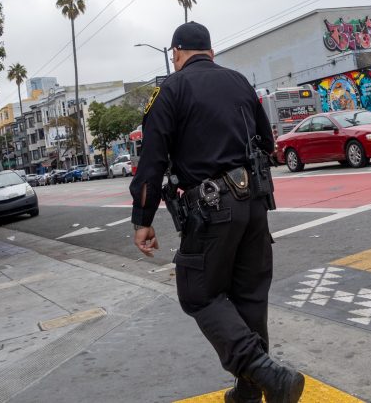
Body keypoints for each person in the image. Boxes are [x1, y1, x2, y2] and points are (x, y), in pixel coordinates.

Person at [130, 22, 304, 403]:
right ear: (210, 51)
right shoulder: (239, 82)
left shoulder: (169, 90)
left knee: (197, 293)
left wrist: (142, 219)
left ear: (176, 54)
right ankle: (249, 391)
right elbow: (267, 140)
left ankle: (265, 374)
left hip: (210, 207)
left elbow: (152, 161)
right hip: (255, 202)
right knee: (250, 295)